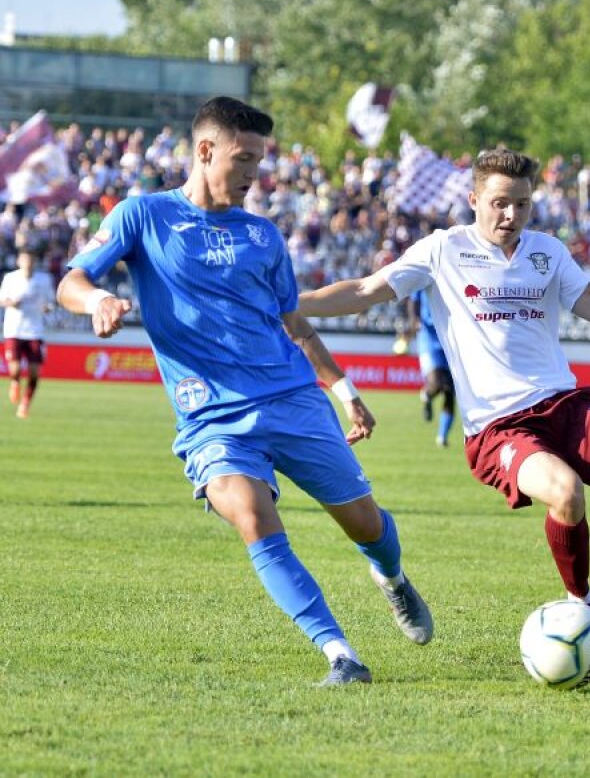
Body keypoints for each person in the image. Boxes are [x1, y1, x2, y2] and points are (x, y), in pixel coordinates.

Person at [299, 148, 590, 654]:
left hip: (566, 404)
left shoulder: (547, 252)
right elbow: (364, 290)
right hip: (498, 427)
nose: (511, 215)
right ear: (474, 200)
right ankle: (583, 611)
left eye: (522, 205)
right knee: (565, 492)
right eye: (500, 204)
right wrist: (291, 303)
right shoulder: (442, 250)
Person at [56, 96, 432, 687]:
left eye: (260, 161)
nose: (256, 175)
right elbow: (71, 281)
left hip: (292, 399)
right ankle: (340, 654)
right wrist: (98, 299)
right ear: (205, 151)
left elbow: (295, 324)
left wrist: (344, 389)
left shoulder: (263, 236)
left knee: (363, 523)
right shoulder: (142, 216)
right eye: (245, 159)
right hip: (211, 418)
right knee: (253, 516)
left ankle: (392, 578)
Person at [1, 249, 56, 418]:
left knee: (34, 371)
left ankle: (25, 403)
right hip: (14, 329)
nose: (28, 264)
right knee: (15, 368)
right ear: (19, 262)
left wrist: (47, 308)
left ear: (35, 262)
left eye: (31, 260)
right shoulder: (11, 278)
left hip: (34, 330)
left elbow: (52, 301)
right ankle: (15, 382)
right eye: (25, 260)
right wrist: (11, 302)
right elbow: (2, 299)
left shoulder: (44, 280)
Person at [407, 288, 456, 447]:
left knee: (449, 390)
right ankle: (427, 395)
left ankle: (442, 436)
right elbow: (413, 299)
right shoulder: (427, 272)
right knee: (436, 383)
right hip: (428, 336)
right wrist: (414, 319)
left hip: (450, 337)